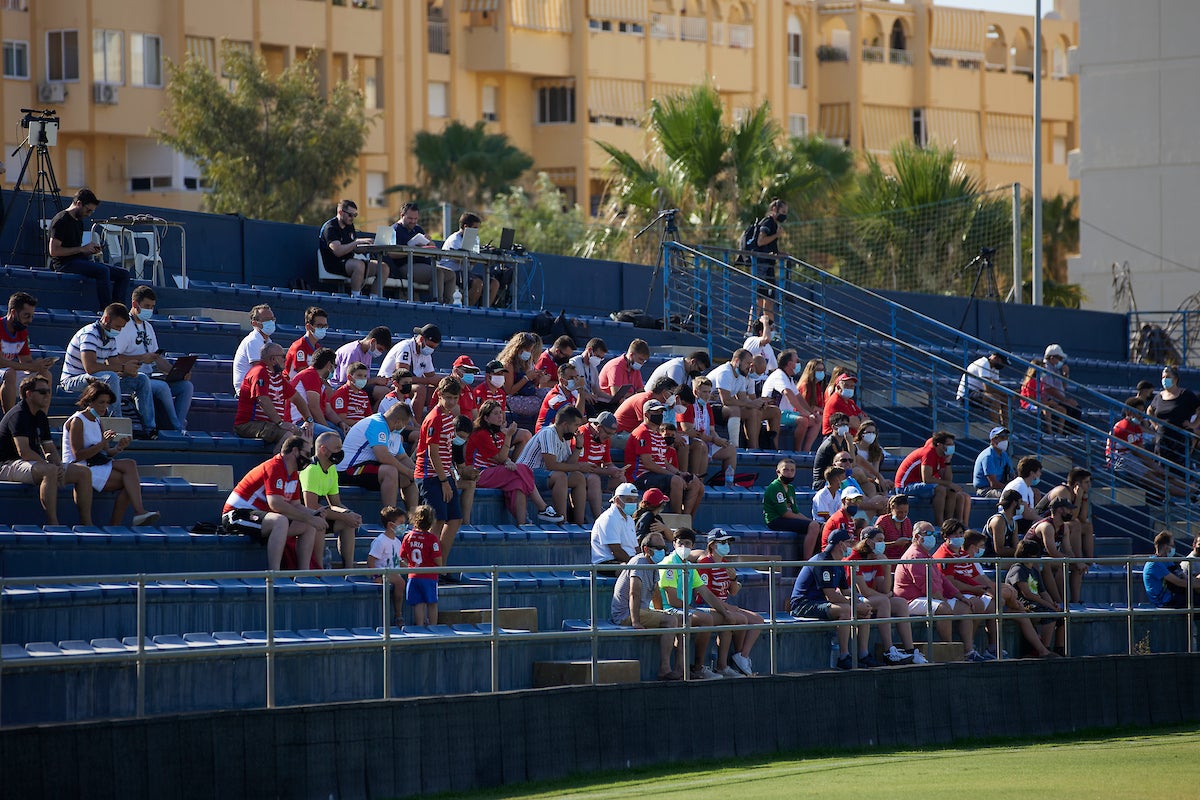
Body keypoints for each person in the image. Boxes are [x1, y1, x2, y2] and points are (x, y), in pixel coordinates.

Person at [62, 381, 160, 527]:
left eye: (107, 403)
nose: (105, 406)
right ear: (90, 401)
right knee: (130, 477)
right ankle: (130, 516)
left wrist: (119, 447)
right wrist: (102, 443)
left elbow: (107, 452)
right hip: (79, 468)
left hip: (94, 464)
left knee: (131, 477)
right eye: (101, 402)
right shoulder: (78, 421)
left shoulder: (98, 420)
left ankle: (127, 518)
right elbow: (78, 455)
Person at [0, 375, 94, 525]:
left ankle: (87, 523)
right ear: (29, 394)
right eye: (42, 392)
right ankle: (53, 523)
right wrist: (50, 466)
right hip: (7, 465)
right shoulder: (18, 415)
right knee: (49, 471)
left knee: (83, 472)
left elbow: (49, 446)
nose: (47, 395)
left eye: (49, 391)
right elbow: (23, 452)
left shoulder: (40, 416)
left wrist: (59, 466)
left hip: (31, 464)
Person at [221, 435, 324, 571]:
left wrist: (314, 514)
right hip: (236, 515)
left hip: (261, 517)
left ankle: (304, 573)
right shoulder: (275, 467)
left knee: (309, 523)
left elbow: (296, 505)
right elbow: (276, 504)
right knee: (281, 521)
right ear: (295, 451)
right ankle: (274, 574)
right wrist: (308, 517)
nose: (309, 459)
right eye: (306, 453)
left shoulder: (293, 473)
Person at [60, 303, 157, 437]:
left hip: (97, 379)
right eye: (117, 326)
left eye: (121, 328)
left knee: (141, 379)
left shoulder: (111, 338)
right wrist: (122, 368)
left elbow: (114, 365)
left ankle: (149, 429)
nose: (119, 331)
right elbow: (91, 368)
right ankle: (117, 424)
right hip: (73, 380)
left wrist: (129, 371)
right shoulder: (89, 334)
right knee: (111, 377)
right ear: (106, 319)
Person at [893, 522, 985, 661]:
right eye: (929, 534)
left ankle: (968, 650)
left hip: (927, 597)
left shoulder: (926, 554)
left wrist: (959, 596)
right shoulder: (914, 555)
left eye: (933, 534)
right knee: (943, 608)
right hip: (911, 600)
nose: (933, 537)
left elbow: (943, 580)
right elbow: (927, 586)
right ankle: (949, 650)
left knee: (968, 606)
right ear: (917, 536)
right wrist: (943, 600)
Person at [466, 399, 563, 526]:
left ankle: (523, 523)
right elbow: (500, 458)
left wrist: (508, 460)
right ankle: (542, 508)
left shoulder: (498, 432)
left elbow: (503, 458)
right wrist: (509, 437)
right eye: (495, 413)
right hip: (478, 474)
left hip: (494, 473)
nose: (500, 416)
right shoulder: (480, 434)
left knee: (518, 484)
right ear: (486, 418)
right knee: (522, 468)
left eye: (501, 412)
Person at [789, 529, 874, 670]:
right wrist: (855, 606)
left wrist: (860, 602)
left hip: (821, 603)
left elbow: (845, 590)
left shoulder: (838, 563)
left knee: (865, 609)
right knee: (847, 610)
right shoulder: (822, 561)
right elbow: (832, 596)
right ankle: (844, 657)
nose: (851, 546)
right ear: (840, 544)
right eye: (849, 543)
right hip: (803, 604)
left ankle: (863, 654)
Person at [114, 286, 193, 433]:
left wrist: (177, 371)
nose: (149, 310)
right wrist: (142, 358)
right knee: (162, 387)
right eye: (146, 306)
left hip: (151, 376)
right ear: (135, 304)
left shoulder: (148, 327)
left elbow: (157, 358)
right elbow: (116, 358)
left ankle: (178, 423)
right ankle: (176, 427)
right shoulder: (123, 326)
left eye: (152, 307)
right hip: (132, 378)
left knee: (186, 386)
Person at [843, 526, 924, 665]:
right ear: (868, 542)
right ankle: (889, 650)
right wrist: (885, 596)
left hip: (871, 598)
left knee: (900, 603)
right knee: (883, 601)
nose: (882, 544)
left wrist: (886, 567)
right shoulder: (854, 559)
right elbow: (864, 591)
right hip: (854, 598)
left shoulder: (877, 558)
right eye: (879, 540)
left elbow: (883, 587)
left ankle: (910, 650)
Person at [610, 531, 684, 681]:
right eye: (658, 547)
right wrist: (635, 621)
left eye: (664, 547)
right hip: (627, 613)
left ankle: (681, 668)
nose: (662, 551)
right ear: (646, 550)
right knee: (671, 621)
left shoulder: (653, 565)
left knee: (681, 619)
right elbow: (634, 593)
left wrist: (660, 612)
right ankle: (664, 669)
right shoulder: (639, 562)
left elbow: (656, 592)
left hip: (642, 610)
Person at [659, 527, 728, 680]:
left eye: (687, 544)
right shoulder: (669, 563)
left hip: (684, 608)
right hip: (667, 609)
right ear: (673, 544)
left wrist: (725, 612)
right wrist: (694, 610)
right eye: (680, 543)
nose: (683, 547)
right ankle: (696, 667)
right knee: (705, 619)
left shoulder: (689, 566)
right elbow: (672, 601)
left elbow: (707, 594)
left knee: (727, 619)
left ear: (692, 547)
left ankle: (722, 666)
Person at [413, 376, 466, 572]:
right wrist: (444, 480)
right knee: (436, 521)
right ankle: (427, 567)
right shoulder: (435, 417)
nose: (451, 401)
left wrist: (451, 475)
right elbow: (432, 452)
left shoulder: (448, 416)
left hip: (444, 474)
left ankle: (439, 566)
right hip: (431, 476)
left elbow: (446, 449)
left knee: (454, 519)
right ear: (440, 395)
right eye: (448, 397)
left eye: (455, 398)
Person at [47, 188, 129, 310]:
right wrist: (81, 249)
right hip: (65, 263)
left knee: (123, 274)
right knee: (102, 271)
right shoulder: (61, 220)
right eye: (88, 210)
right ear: (79, 204)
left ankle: (119, 310)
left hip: (78, 260)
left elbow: (77, 249)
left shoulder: (78, 221)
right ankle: (107, 310)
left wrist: (88, 250)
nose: (89, 214)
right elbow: (54, 251)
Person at [932, 523, 1002, 660]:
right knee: (976, 604)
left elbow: (977, 576)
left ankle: (993, 648)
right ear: (945, 536)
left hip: (969, 591)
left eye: (961, 534)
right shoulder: (943, 554)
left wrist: (991, 590)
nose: (959, 537)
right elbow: (950, 582)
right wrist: (974, 589)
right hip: (952, 594)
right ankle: (968, 650)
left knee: (995, 604)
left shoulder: (964, 554)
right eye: (955, 534)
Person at [697, 529, 763, 675]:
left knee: (758, 620)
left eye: (728, 542)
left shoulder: (725, 563)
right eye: (722, 542)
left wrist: (733, 579)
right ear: (712, 545)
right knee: (740, 619)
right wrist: (727, 608)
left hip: (724, 605)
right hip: (707, 606)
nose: (726, 545)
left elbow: (733, 591)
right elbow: (705, 596)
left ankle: (741, 656)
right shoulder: (704, 564)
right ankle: (724, 665)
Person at [625, 399, 704, 516]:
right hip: (640, 476)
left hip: (656, 475)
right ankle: (677, 520)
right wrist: (673, 476)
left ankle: (686, 521)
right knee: (676, 481)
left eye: (661, 413)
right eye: (656, 413)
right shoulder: (642, 433)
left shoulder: (657, 435)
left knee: (697, 484)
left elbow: (664, 463)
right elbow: (648, 464)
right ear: (646, 415)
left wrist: (679, 473)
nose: (659, 416)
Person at [338, 402, 420, 513]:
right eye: (405, 424)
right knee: (390, 471)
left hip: (368, 467)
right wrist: (407, 471)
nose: (404, 427)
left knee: (409, 477)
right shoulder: (377, 424)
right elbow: (383, 456)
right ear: (397, 422)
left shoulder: (394, 432)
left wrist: (416, 472)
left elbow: (403, 457)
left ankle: (414, 521)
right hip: (348, 470)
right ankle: (391, 519)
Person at [233, 343, 317, 449]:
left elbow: (297, 398)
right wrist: (280, 423)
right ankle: (277, 464)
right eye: (283, 356)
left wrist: (308, 420)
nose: (285, 360)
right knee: (288, 436)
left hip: (269, 424)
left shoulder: (277, 377)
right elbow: (263, 400)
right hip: (249, 424)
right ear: (273, 359)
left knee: (306, 438)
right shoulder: (259, 372)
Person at [300, 431, 364, 569]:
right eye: (337, 449)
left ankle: (348, 569)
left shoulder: (332, 469)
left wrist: (348, 513)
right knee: (320, 521)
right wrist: (344, 516)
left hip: (318, 512)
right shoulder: (311, 469)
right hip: (301, 515)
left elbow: (335, 504)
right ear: (323, 449)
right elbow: (310, 506)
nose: (340, 452)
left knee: (348, 523)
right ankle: (319, 569)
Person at [516, 404, 588, 524]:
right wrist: (580, 466)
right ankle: (562, 520)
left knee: (578, 478)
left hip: (544, 475)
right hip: (526, 474)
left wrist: (578, 447)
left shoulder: (565, 438)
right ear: (565, 424)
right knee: (560, 477)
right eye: (576, 425)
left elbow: (568, 465)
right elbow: (552, 465)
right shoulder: (548, 433)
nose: (577, 429)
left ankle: (579, 523)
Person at [1108, 397, 1188, 499]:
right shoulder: (1124, 426)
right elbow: (1137, 452)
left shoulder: (1136, 427)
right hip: (1120, 459)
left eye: (1142, 412)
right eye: (1138, 412)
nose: (1141, 416)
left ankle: (1192, 489)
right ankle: (1188, 494)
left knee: (1161, 474)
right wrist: (1156, 467)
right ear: (1129, 412)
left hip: (1131, 456)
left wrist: (1157, 468)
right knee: (1153, 478)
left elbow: (1141, 449)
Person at [1037, 467, 1094, 603]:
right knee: (1075, 525)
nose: (1089, 485)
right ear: (1077, 484)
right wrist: (1079, 497)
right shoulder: (1063, 491)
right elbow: (1070, 516)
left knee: (1087, 525)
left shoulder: (1079, 493)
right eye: (1086, 482)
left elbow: (1083, 517)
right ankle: (1079, 559)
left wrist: (1083, 498)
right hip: (1043, 522)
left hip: (1060, 524)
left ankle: (1089, 562)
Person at [894, 430, 971, 526]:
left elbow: (947, 480)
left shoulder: (942, 456)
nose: (951, 447)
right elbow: (927, 479)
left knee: (952, 491)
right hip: (905, 486)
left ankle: (950, 523)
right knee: (941, 489)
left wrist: (947, 461)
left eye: (952, 444)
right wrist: (949, 484)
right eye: (948, 444)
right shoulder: (929, 453)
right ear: (939, 445)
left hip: (920, 485)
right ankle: (940, 523)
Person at [1005, 538, 1062, 658]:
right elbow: (1027, 593)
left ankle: (1059, 649)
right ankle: (1043, 649)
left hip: (1035, 602)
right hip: (1023, 602)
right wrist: (1048, 606)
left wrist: (1053, 604)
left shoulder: (1034, 570)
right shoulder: (1018, 569)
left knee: (1061, 616)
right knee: (1049, 615)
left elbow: (1043, 592)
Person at [319, 199, 388, 297]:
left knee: (383, 267)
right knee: (359, 265)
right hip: (334, 264)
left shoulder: (349, 226)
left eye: (355, 215)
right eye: (350, 215)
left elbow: (356, 249)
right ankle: (356, 297)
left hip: (349, 262)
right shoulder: (330, 228)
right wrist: (356, 242)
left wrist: (369, 246)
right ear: (340, 212)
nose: (352, 218)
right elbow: (337, 251)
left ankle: (374, 298)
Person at [390, 202, 456, 303]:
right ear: (402, 216)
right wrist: (412, 249)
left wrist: (429, 241)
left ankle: (448, 304)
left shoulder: (417, 229)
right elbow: (391, 253)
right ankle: (437, 302)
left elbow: (432, 247)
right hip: (405, 266)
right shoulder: (395, 230)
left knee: (451, 274)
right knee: (437, 273)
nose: (413, 221)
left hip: (423, 265)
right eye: (410, 218)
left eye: (415, 219)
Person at [707, 349, 773, 450]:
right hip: (707, 407)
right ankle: (735, 446)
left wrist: (756, 403)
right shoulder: (725, 372)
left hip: (722, 408)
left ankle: (753, 447)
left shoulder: (741, 375)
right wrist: (751, 404)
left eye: (751, 363)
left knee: (753, 411)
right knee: (735, 409)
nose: (749, 367)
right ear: (737, 361)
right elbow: (726, 401)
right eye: (747, 363)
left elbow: (743, 399)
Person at [1, 292, 54, 413]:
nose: (29, 320)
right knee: (10, 373)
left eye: (31, 316)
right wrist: (29, 366)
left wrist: (39, 365)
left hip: (6, 374)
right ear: (13, 312)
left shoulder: (22, 332)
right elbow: (1, 362)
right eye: (26, 316)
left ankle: (41, 419)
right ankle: (10, 420)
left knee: (45, 375)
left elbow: (26, 362)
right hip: (5, 374)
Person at [678, 375, 736, 484]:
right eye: (704, 392)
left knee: (730, 449)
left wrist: (720, 441)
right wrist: (713, 439)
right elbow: (688, 430)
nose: (707, 395)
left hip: (706, 440)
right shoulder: (689, 404)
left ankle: (727, 482)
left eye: (709, 392)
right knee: (701, 445)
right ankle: (696, 483)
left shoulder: (707, 407)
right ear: (696, 392)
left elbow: (712, 430)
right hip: (691, 441)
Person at [1025, 496, 1078, 607]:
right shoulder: (1047, 526)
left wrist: (1077, 562)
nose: (1071, 512)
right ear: (1060, 510)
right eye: (1068, 509)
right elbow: (1052, 552)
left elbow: (1068, 550)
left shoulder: (1064, 527)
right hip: (1030, 559)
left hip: (1045, 559)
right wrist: (1072, 560)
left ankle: (1075, 601)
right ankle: (1060, 602)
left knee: (1078, 568)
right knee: (1054, 564)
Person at [763, 458, 822, 560]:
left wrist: (811, 521)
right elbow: (784, 513)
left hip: (786, 519)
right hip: (775, 520)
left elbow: (795, 512)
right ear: (778, 472)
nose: (789, 473)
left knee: (818, 526)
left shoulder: (790, 488)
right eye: (786, 470)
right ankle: (807, 562)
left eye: (792, 470)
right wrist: (811, 523)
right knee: (813, 526)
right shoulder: (775, 487)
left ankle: (817, 557)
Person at [380, 324, 442, 417]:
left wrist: (442, 381)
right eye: (430, 346)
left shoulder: (426, 354)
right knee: (420, 389)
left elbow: (431, 376)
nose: (431, 349)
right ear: (421, 339)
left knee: (436, 389)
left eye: (433, 347)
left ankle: (431, 422)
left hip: (407, 385)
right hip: (392, 384)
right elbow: (402, 377)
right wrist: (429, 380)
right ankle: (416, 425)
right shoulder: (405, 348)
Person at [763, 349, 820, 451]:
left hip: (787, 414)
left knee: (817, 421)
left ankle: (806, 450)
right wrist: (804, 412)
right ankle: (797, 451)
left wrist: (811, 412)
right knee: (803, 420)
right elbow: (788, 393)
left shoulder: (788, 378)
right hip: (776, 413)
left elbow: (798, 397)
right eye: (797, 361)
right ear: (789, 364)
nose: (799, 363)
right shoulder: (779, 375)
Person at [1147, 365, 1200, 474]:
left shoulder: (1185, 394)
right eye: (1163, 377)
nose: (1164, 380)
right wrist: (1156, 425)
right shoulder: (1159, 396)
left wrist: (1193, 424)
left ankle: (1181, 490)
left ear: (1175, 379)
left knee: (1178, 470)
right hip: (1162, 439)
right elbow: (1149, 411)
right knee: (1161, 470)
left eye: (1168, 377)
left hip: (1180, 440)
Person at [575, 411, 628, 519]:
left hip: (596, 474)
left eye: (612, 434)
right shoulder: (583, 433)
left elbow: (608, 463)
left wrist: (616, 470)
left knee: (621, 479)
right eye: (608, 433)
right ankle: (599, 518)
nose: (609, 437)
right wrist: (608, 471)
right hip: (579, 474)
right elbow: (585, 467)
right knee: (594, 479)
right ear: (599, 427)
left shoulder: (605, 438)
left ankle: (620, 516)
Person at [440, 212, 498, 306]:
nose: (477, 231)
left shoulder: (475, 239)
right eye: (475, 228)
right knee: (477, 283)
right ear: (466, 227)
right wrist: (478, 257)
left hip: (465, 272)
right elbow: (461, 259)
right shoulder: (454, 239)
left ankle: (485, 310)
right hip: (452, 272)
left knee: (494, 283)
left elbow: (472, 260)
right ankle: (467, 308)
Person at [291, 348, 351, 435]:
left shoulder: (319, 381)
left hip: (311, 421)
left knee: (344, 432)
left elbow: (328, 410)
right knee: (334, 437)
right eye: (334, 366)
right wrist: (327, 430)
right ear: (329, 364)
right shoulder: (310, 375)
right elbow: (314, 408)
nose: (333, 370)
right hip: (300, 422)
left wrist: (340, 423)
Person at [400, 504, 443, 624]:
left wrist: (411, 566)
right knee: (432, 603)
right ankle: (433, 628)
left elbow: (402, 557)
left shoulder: (408, 537)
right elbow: (437, 560)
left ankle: (420, 628)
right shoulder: (432, 539)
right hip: (429, 576)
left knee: (418, 604)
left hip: (413, 576)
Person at [333, 326, 392, 403]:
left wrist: (379, 381)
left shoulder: (368, 353)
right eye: (380, 349)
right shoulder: (352, 352)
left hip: (357, 386)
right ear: (373, 341)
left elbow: (364, 380)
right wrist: (375, 380)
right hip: (339, 387)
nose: (380, 353)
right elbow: (348, 381)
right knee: (383, 391)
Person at [370, 506, 407, 627]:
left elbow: (399, 560)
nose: (404, 526)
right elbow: (370, 560)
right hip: (383, 574)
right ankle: (398, 614)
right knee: (401, 582)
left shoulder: (397, 541)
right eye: (401, 523)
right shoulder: (380, 541)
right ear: (391, 525)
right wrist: (376, 576)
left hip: (394, 573)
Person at [751, 198, 788, 320]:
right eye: (782, 211)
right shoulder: (768, 223)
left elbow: (770, 247)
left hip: (767, 266)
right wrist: (776, 235)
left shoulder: (773, 224)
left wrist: (780, 253)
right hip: (763, 267)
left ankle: (761, 330)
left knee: (764, 301)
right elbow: (760, 242)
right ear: (774, 209)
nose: (784, 215)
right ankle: (765, 331)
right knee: (764, 302)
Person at [1144, 531, 1200, 608]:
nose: (1174, 548)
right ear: (1165, 546)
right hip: (1163, 601)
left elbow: (1183, 576)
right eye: (1172, 545)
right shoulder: (1154, 563)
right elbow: (1178, 582)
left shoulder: (1168, 561)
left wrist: (1196, 581)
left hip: (1172, 596)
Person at [590, 483, 641, 567]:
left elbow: (636, 548)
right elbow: (616, 551)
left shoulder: (629, 519)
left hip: (628, 560)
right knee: (631, 570)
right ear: (617, 500)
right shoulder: (609, 518)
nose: (633, 503)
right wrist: (636, 564)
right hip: (606, 562)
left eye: (635, 500)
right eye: (629, 500)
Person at [955, 352, 1010, 426]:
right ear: (995, 358)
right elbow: (988, 388)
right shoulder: (983, 363)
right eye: (1002, 362)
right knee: (995, 398)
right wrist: (1006, 392)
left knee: (1005, 399)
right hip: (966, 394)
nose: (1003, 365)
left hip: (979, 392)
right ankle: (996, 428)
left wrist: (1007, 394)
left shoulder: (994, 367)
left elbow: (997, 386)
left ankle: (1006, 428)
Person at [614, 375, 678, 434]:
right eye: (672, 393)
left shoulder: (658, 403)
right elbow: (648, 425)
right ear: (664, 391)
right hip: (621, 433)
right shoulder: (644, 400)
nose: (673, 397)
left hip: (632, 432)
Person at [232, 304, 274, 392]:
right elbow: (259, 369)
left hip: (260, 386)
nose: (271, 322)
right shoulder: (253, 341)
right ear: (254, 323)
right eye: (266, 320)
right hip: (248, 390)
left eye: (272, 319)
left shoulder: (268, 341)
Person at [535, 361, 587, 432]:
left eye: (576, 377)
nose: (575, 381)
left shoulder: (574, 394)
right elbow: (575, 416)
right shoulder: (554, 396)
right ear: (562, 380)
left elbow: (583, 420)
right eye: (571, 378)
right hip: (545, 433)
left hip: (561, 432)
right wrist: (581, 390)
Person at [1041, 344, 1081, 430]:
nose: (1061, 361)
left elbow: (1062, 388)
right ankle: (1065, 432)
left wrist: (1065, 375)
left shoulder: (1055, 370)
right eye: (1059, 358)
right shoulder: (1045, 368)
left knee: (1075, 407)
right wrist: (1064, 400)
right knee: (1069, 407)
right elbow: (1049, 389)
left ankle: (1070, 433)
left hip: (1057, 399)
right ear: (1052, 358)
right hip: (1049, 400)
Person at [1002, 455, 1044, 536]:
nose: (1040, 474)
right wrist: (1044, 520)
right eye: (1039, 471)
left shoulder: (1027, 488)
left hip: (1021, 521)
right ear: (1032, 473)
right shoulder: (1020, 485)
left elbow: (1030, 512)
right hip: (1012, 522)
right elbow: (1026, 514)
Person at [811, 411, 854, 488]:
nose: (845, 427)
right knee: (857, 473)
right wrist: (850, 444)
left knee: (868, 484)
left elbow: (852, 462)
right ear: (834, 427)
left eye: (846, 425)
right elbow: (848, 466)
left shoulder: (845, 441)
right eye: (842, 425)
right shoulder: (829, 444)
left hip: (839, 476)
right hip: (824, 481)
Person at [284, 306, 330, 377]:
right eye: (319, 325)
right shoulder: (299, 347)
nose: (323, 329)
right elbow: (303, 374)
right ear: (308, 327)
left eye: (325, 326)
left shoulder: (318, 347)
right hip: (293, 385)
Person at [569, 337, 612, 411]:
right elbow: (571, 387)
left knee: (612, 406)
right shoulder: (574, 363)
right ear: (589, 350)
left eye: (601, 358)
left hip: (591, 400)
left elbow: (597, 391)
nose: (599, 360)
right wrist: (584, 394)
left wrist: (613, 398)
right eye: (598, 356)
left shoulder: (593, 367)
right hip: (579, 399)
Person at [983, 489, 1024, 560]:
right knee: (1026, 564)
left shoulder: (1014, 523)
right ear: (1014, 503)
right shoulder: (998, 521)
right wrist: (1023, 552)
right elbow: (999, 550)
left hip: (1004, 559)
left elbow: (1015, 546)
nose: (1023, 505)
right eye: (1021, 502)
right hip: (990, 559)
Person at [973, 426, 1014, 498]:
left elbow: (1012, 475)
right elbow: (993, 484)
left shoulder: (1004, 455)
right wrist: (1011, 489)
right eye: (1002, 437)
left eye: (1006, 437)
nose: (1005, 440)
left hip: (1000, 488)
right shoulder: (988, 456)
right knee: (1009, 496)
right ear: (993, 440)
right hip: (986, 490)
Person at [821, 372, 865, 437]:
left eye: (852, 386)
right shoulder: (836, 401)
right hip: (835, 438)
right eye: (846, 385)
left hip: (849, 438)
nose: (850, 388)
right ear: (838, 387)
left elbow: (866, 420)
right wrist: (859, 419)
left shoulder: (850, 402)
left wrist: (859, 420)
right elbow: (854, 423)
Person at [330, 362, 373, 426]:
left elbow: (369, 416)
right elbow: (341, 419)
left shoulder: (364, 395)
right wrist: (362, 424)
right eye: (359, 375)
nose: (363, 379)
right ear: (350, 377)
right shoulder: (341, 393)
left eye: (365, 376)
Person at [646, 350, 710, 392]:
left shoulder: (690, 372)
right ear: (693, 362)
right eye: (699, 369)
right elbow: (676, 392)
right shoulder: (676, 367)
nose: (699, 372)